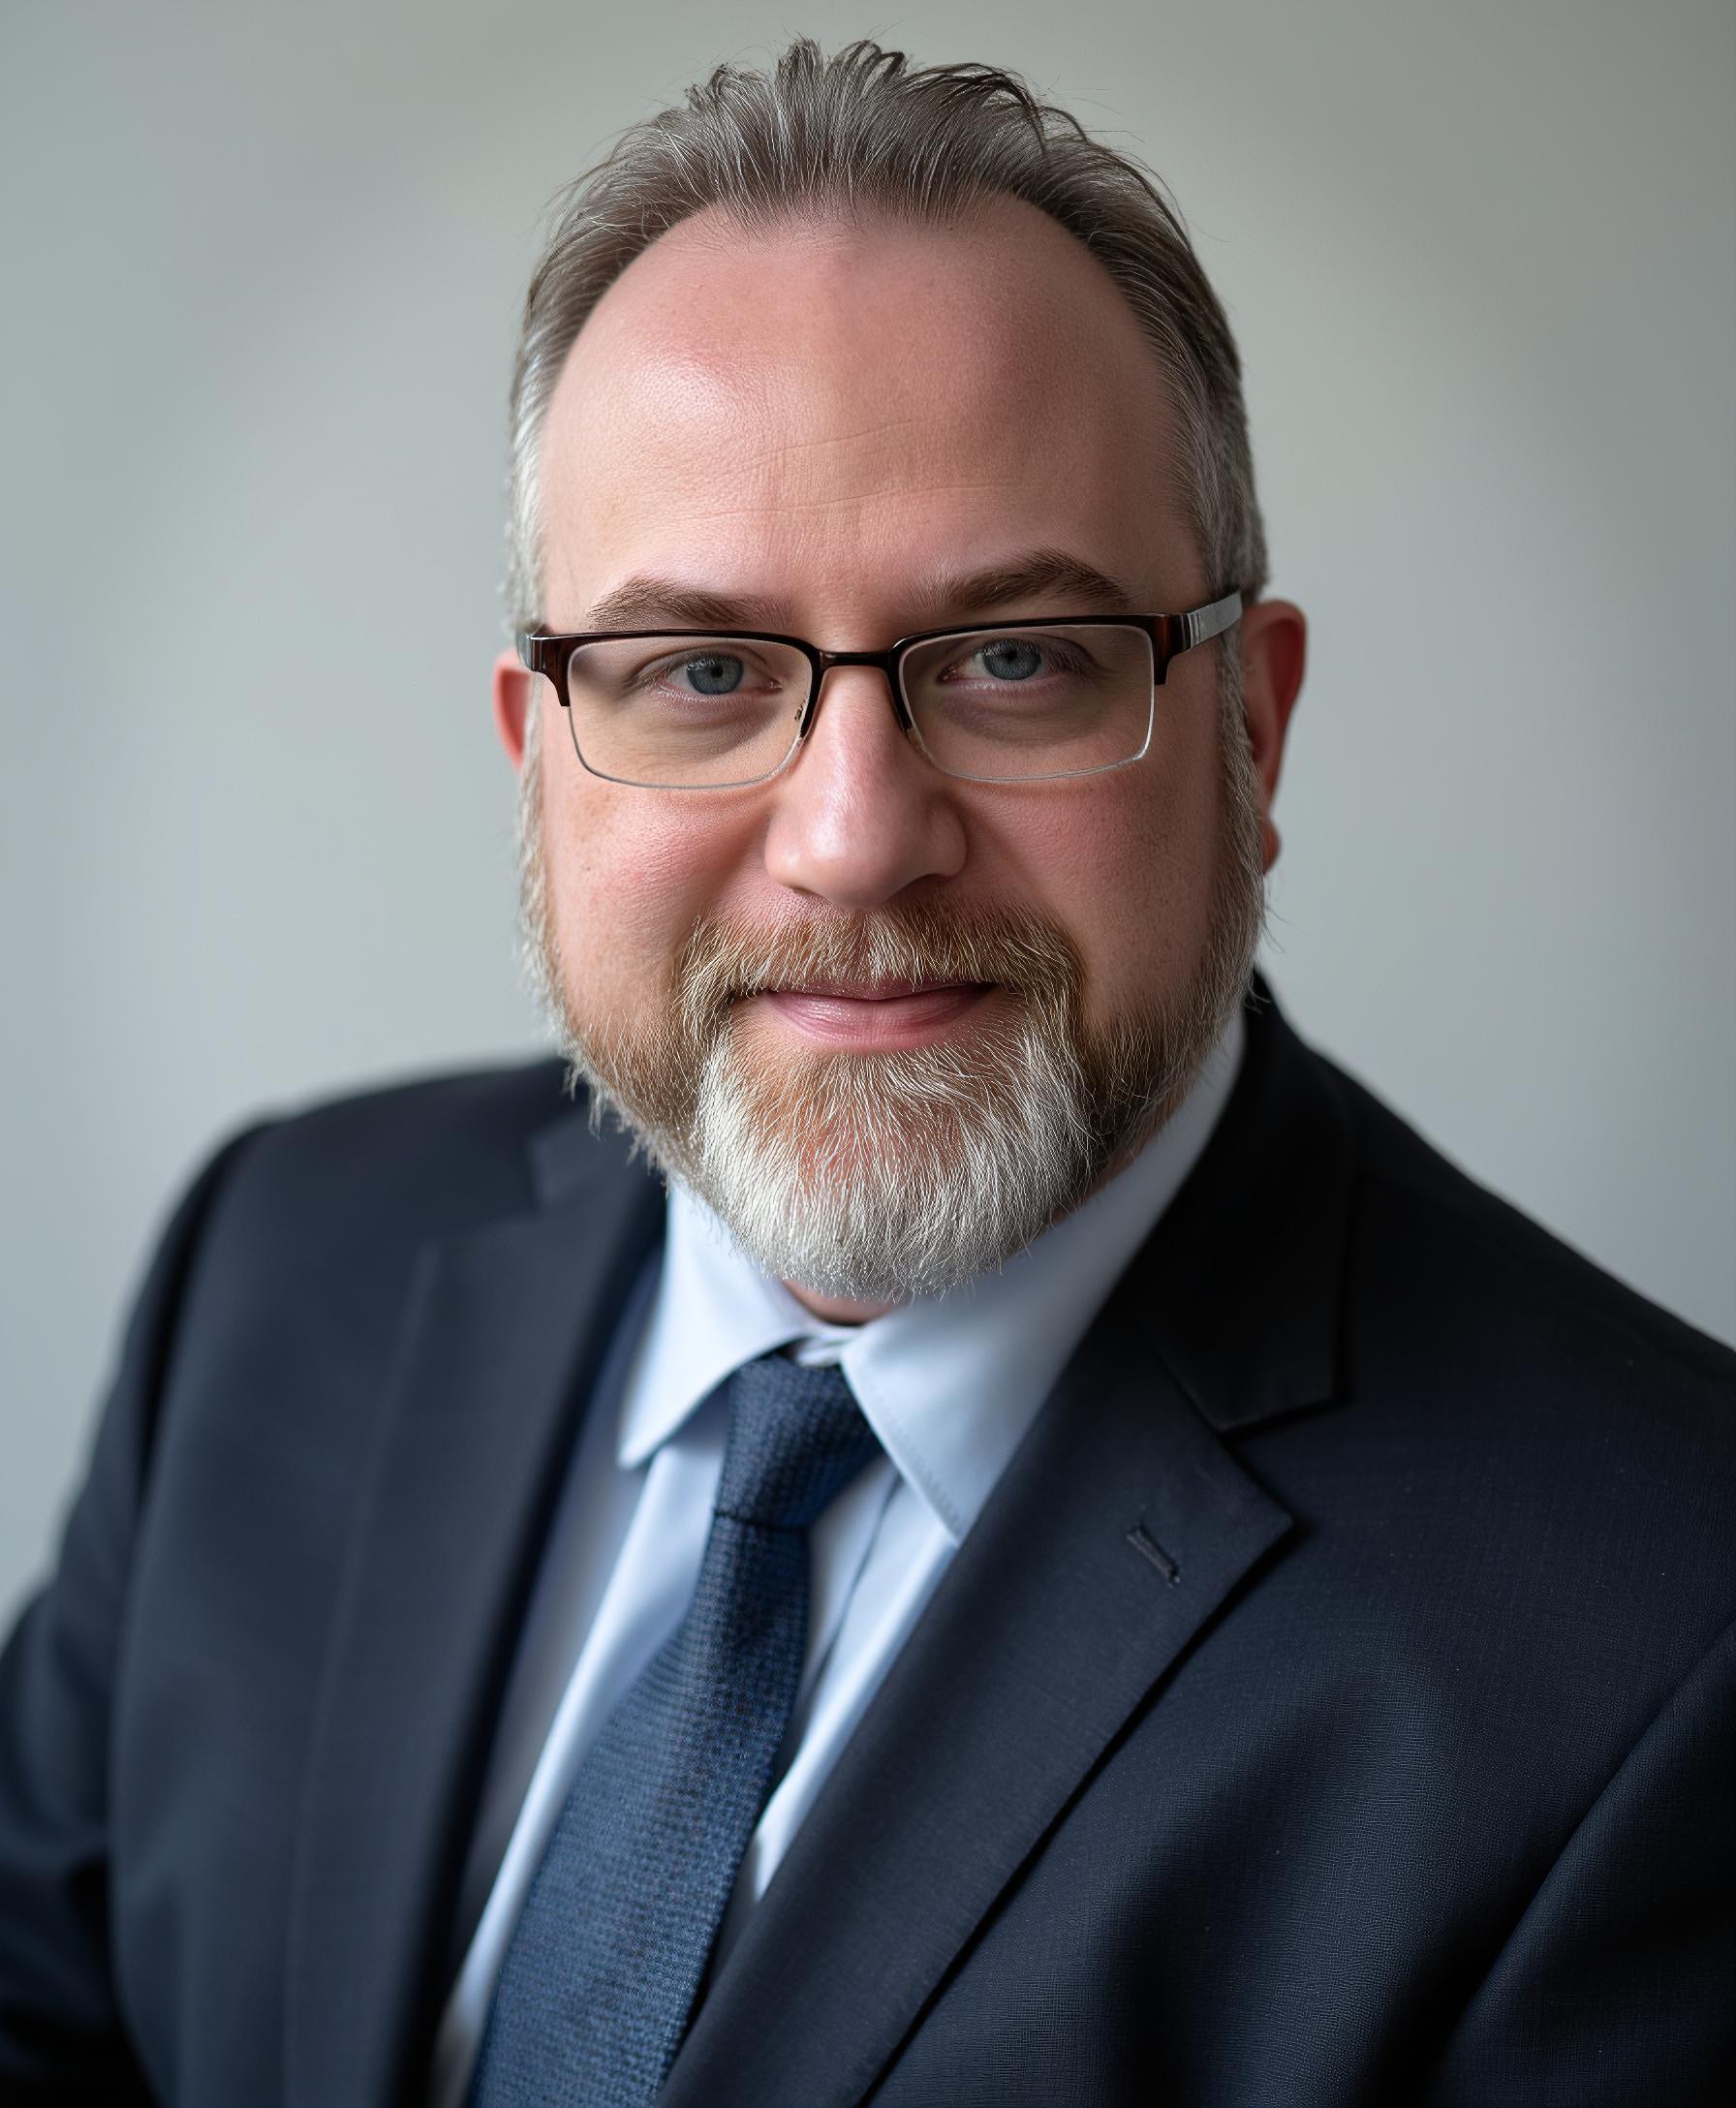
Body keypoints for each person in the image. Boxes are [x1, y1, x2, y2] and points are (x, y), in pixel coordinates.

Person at [0, 37, 1730, 2108]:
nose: (850, 832)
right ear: (536, 760)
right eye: (699, 672)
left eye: (1013, 657)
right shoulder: (277, 1270)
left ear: (1247, 733)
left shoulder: (1664, 1638)